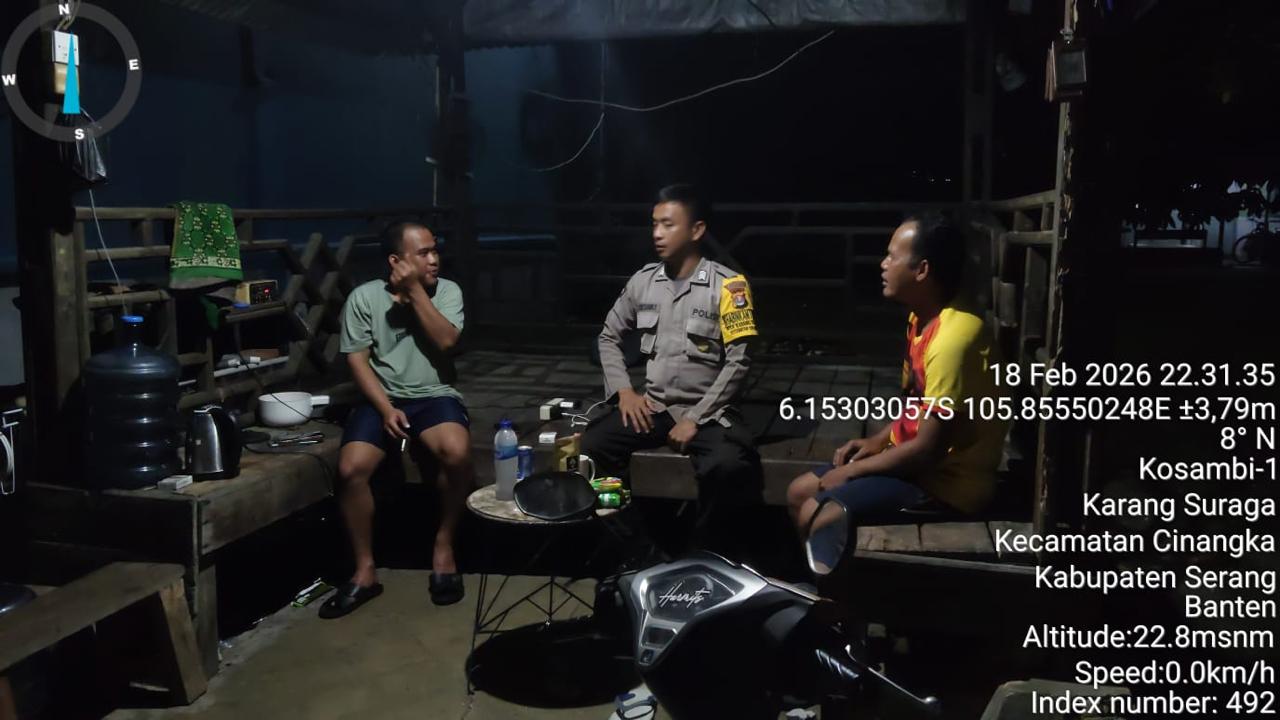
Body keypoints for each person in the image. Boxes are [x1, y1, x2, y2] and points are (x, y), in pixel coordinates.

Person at [786, 213, 1008, 534]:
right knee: (798, 492)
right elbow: (917, 407)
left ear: (922, 270)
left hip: (946, 486)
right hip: (916, 467)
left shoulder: (954, 339)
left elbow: (928, 449)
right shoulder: (921, 319)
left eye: (892, 256)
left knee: (815, 513)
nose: (883, 264)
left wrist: (854, 471)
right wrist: (877, 440)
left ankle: (834, 566)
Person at [582, 183, 762, 555]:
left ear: (696, 230)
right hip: (656, 408)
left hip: (709, 414)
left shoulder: (729, 287)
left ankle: (705, 553)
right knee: (593, 447)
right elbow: (608, 337)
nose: (657, 233)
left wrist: (694, 419)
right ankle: (638, 546)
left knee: (728, 467)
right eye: (654, 224)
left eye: (668, 224)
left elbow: (739, 361)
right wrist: (624, 392)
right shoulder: (644, 282)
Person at [320, 222, 474, 618]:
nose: (434, 259)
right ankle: (365, 569)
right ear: (395, 260)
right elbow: (357, 360)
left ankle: (443, 547)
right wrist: (386, 409)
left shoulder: (447, 291)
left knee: (457, 453)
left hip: (434, 394)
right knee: (351, 468)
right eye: (423, 253)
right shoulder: (364, 298)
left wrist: (415, 291)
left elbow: (446, 340)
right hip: (382, 399)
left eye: (435, 250)